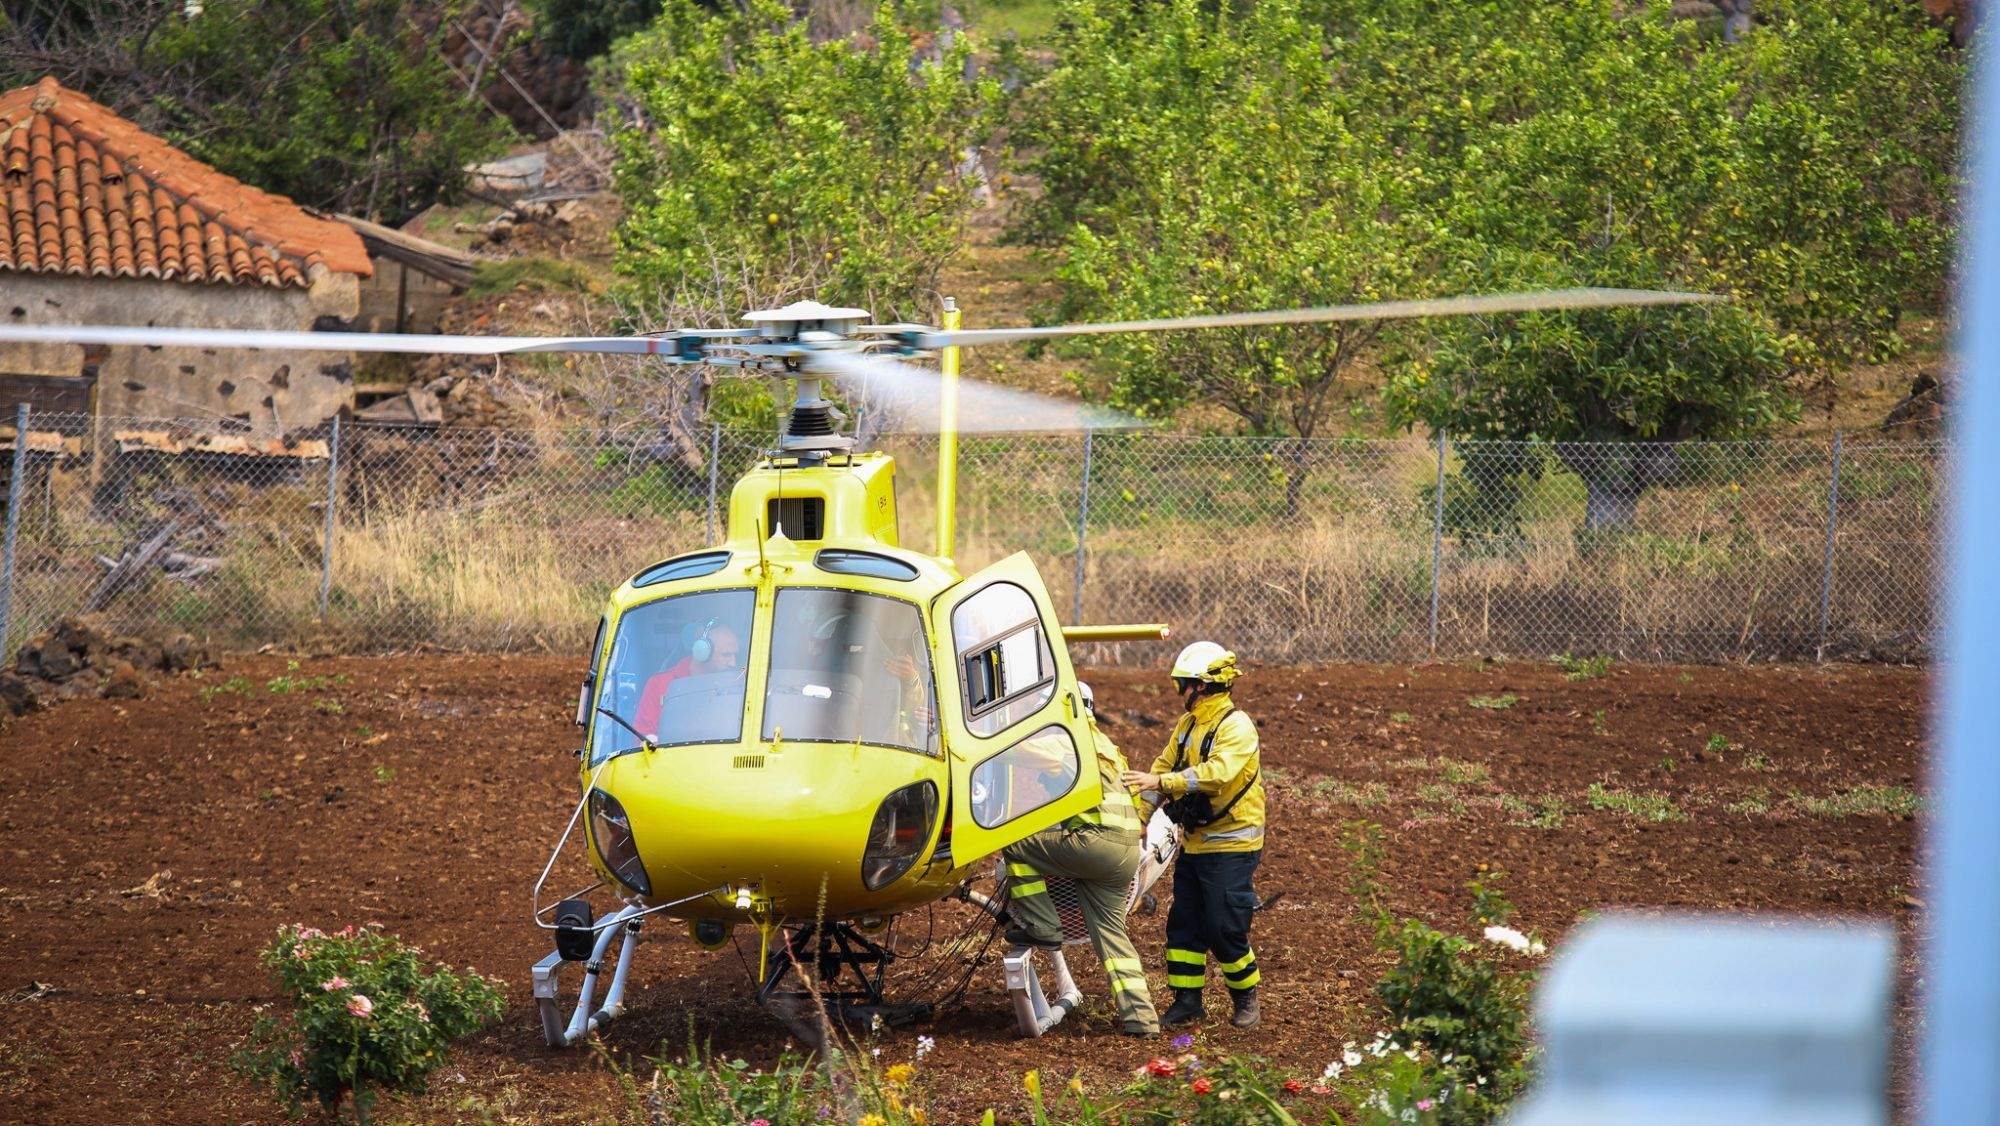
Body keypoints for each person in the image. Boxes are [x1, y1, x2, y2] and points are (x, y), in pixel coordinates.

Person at [1000, 681, 1161, 1037]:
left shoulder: (1067, 738)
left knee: (1015, 845)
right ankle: (1142, 1020)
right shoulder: (1107, 746)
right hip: (1125, 852)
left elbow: (1016, 753)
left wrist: (976, 746)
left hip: (1096, 842)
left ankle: (1042, 927)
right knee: (1112, 937)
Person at [1122, 640, 1266, 1029]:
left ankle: (1246, 998)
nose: (1178, 693)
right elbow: (1160, 769)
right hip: (1196, 842)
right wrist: (1140, 815)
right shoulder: (1187, 727)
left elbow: (1217, 773)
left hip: (1234, 843)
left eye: (1180, 684)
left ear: (1199, 686)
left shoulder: (1236, 726)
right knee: (1183, 924)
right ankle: (1187, 1003)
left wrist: (1162, 780)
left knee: (1224, 926)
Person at [634, 620, 741, 737]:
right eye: (726, 655)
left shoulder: (737, 684)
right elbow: (642, 736)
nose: (733, 663)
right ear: (703, 652)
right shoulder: (659, 684)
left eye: (735, 655)